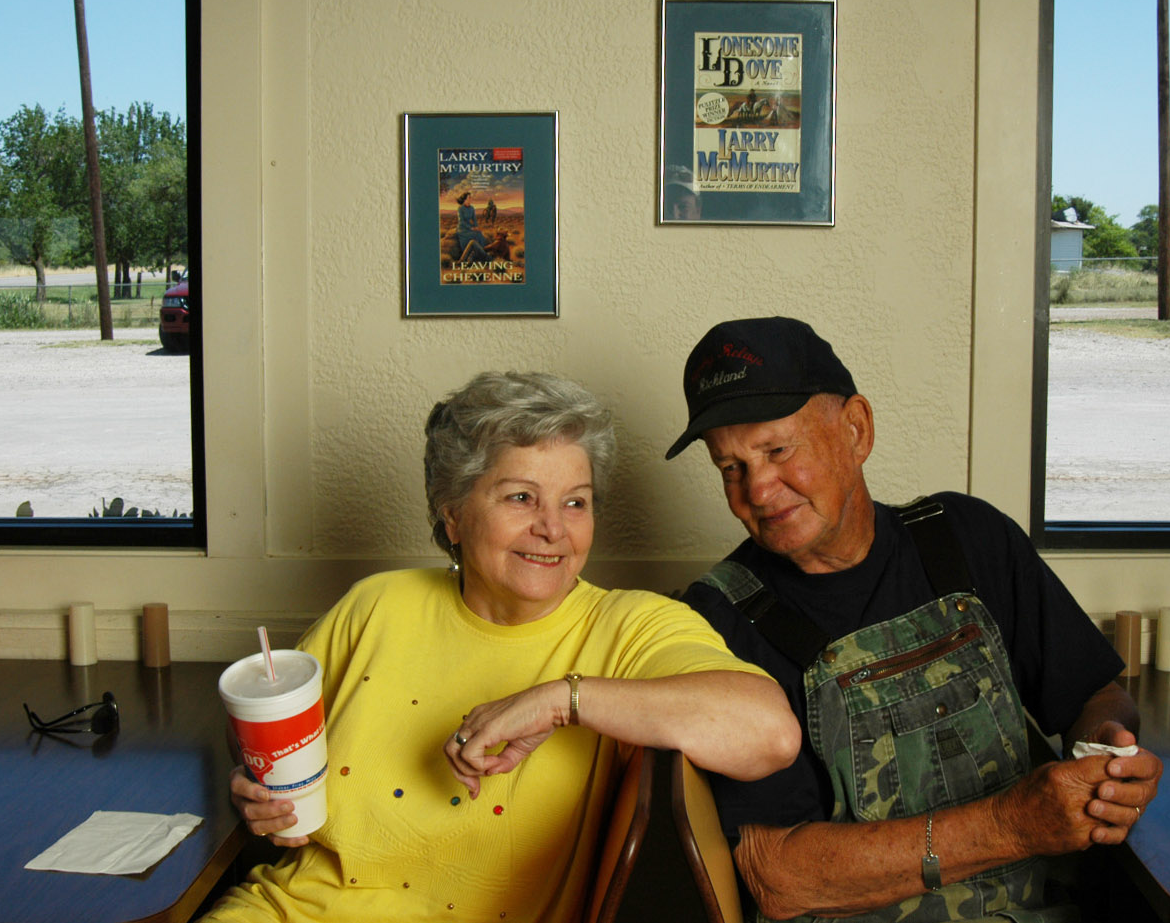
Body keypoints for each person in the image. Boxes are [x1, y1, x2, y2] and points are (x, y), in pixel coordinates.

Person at [203, 371, 800, 923]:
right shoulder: (376, 604)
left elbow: (768, 734)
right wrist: (256, 788)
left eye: (575, 501)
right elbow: (269, 721)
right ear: (454, 515)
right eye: (520, 497)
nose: (553, 528)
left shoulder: (630, 629)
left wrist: (558, 702)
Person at [664, 317, 1163, 923]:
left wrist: (1107, 752)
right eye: (730, 468)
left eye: (777, 450)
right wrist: (1013, 826)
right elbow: (778, 875)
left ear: (856, 428)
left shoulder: (969, 538)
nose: (759, 491)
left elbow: (1093, 693)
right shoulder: (717, 621)